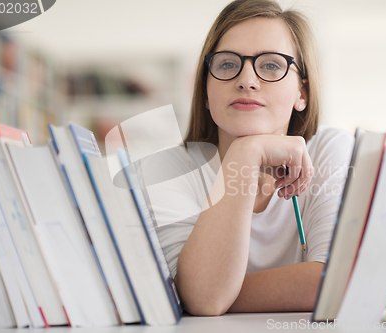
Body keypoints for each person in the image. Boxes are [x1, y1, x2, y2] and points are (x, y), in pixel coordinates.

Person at [146, 0, 354, 316]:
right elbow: (204, 300)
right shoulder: (167, 170)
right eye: (228, 64)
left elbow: (333, 281)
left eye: (271, 65)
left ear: (302, 93)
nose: (247, 80)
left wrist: (205, 291)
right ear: (205, 89)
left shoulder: (328, 148)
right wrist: (246, 154)